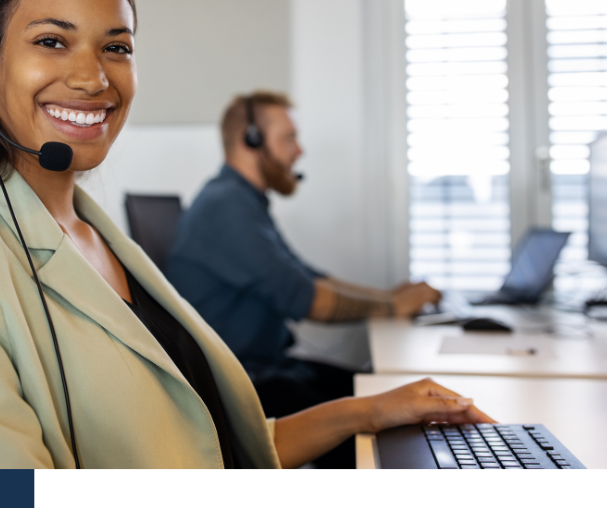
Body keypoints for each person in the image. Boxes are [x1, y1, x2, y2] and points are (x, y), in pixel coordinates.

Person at [0, 0, 491, 469]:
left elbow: (221, 450)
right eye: (51, 41)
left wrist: (370, 409)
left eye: (115, 47)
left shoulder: (96, 235)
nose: (93, 77)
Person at [165, 92, 442, 467]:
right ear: (252, 140)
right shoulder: (225, 207)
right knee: (379, 422)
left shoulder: (243, 201)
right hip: (242, 387)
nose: (299, 151)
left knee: (379, 390)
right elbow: (308, 300)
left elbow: (310, 276)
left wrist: (389, 296)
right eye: (289, 138)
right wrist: (393, 306)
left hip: (269, 368)